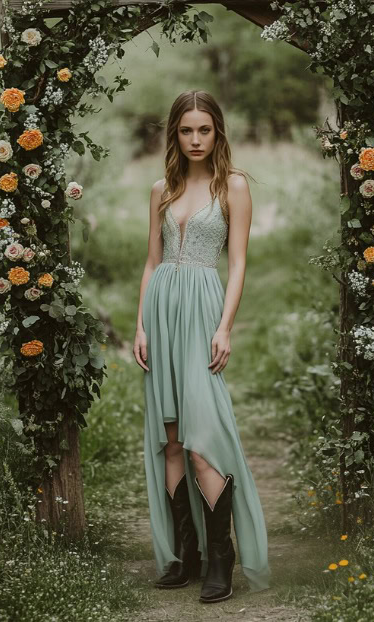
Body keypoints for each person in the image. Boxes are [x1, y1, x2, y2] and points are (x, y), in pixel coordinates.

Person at [133, 89, 270, 603]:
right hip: (161, 313)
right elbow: (151, 261)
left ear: (217, 133)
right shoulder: (160, 189)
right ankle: (185, 555)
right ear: (175, 133)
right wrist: (141, 325)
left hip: (201, 311)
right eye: (186, 130)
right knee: (170, 438)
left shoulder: (232, 186)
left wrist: (225, 326)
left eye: (204, 130)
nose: (195, 139)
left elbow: (237, 264)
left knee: (201, 439)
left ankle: (221, 556)